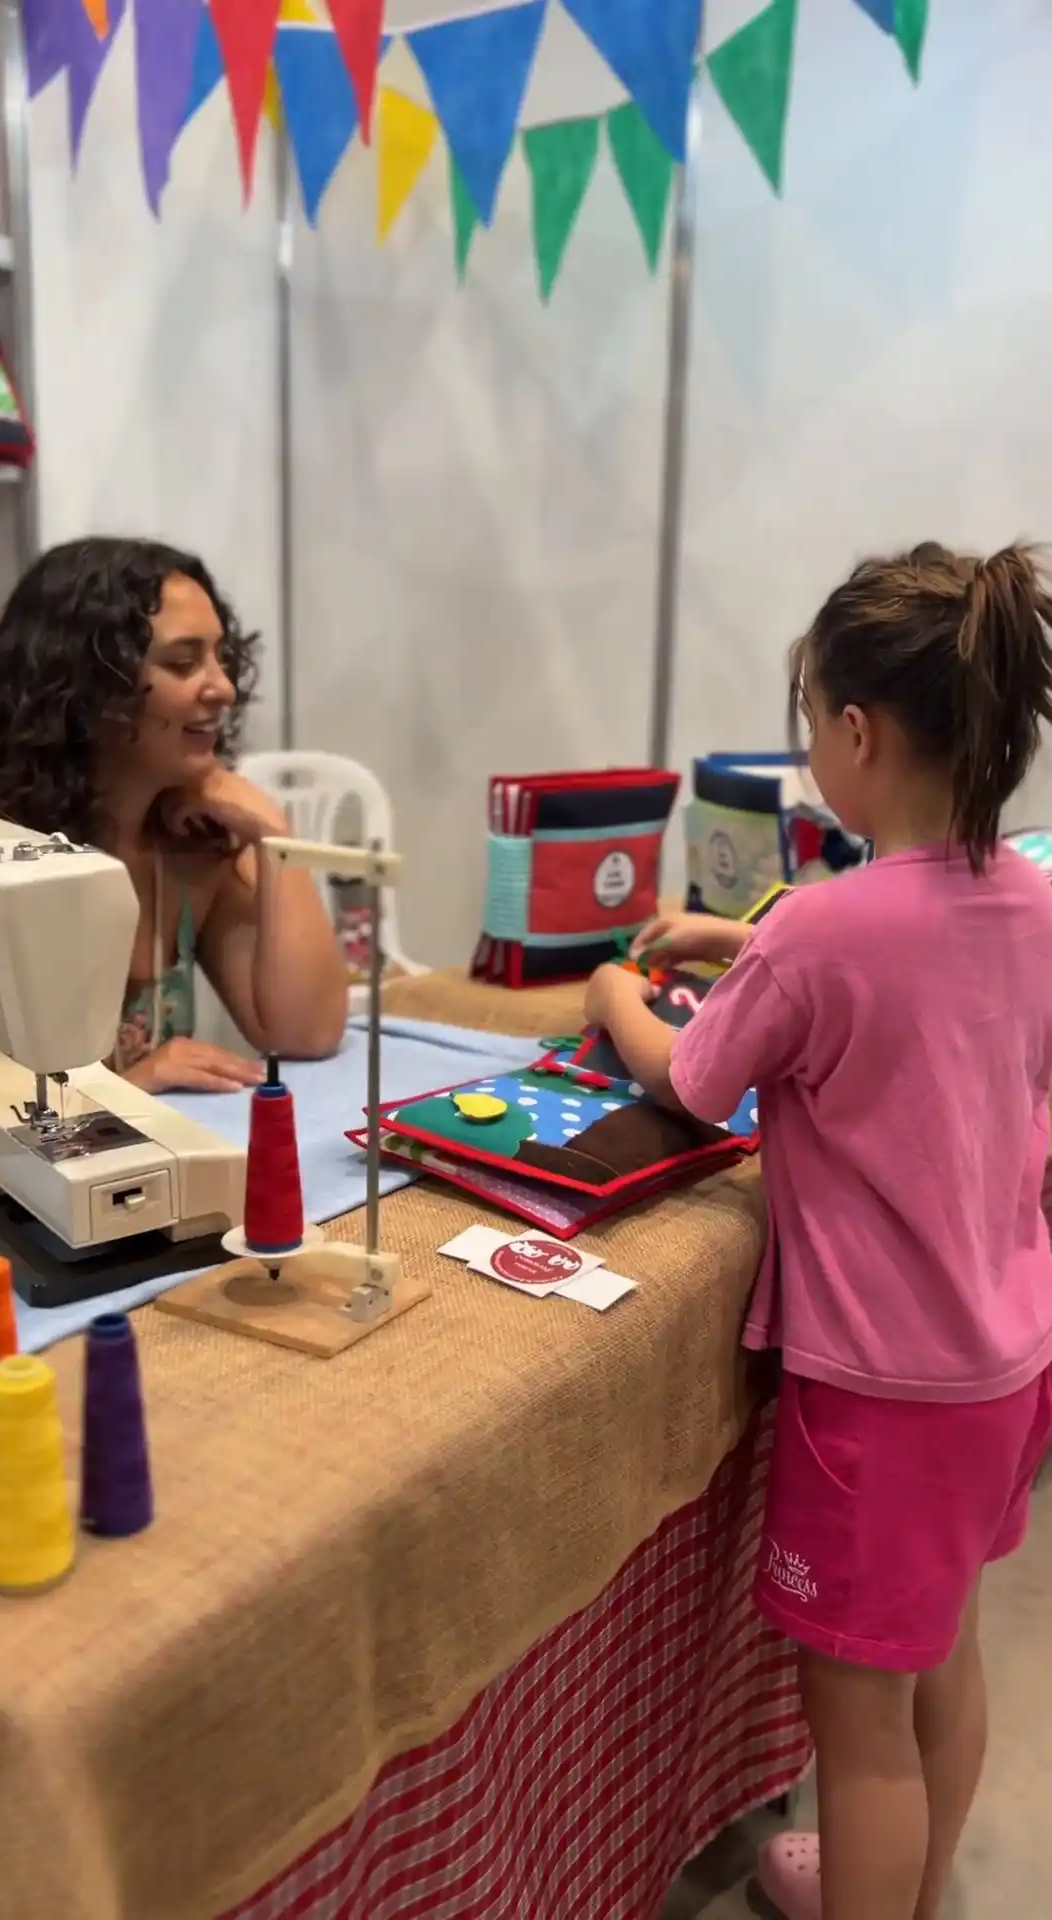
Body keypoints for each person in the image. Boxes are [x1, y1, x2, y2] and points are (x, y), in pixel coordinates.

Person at [584, 541, 1052, 1920]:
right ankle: (909, 1892)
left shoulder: (823, 935)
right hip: (1006, 1366)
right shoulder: (1030, 899)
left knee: (856, 1733)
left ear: (853, 733)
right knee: (946, 1660)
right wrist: (745, 946)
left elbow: (692, 1079)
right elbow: (912, 987)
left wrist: (620, 987)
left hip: (880, 1398)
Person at [0, 538, 348, 1092]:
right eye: (182, 662)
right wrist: (134, 1086)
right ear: (88, 686)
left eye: (222, 657)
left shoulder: (195, 843)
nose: (222, 687)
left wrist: (274, 835)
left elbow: (306, 1032)